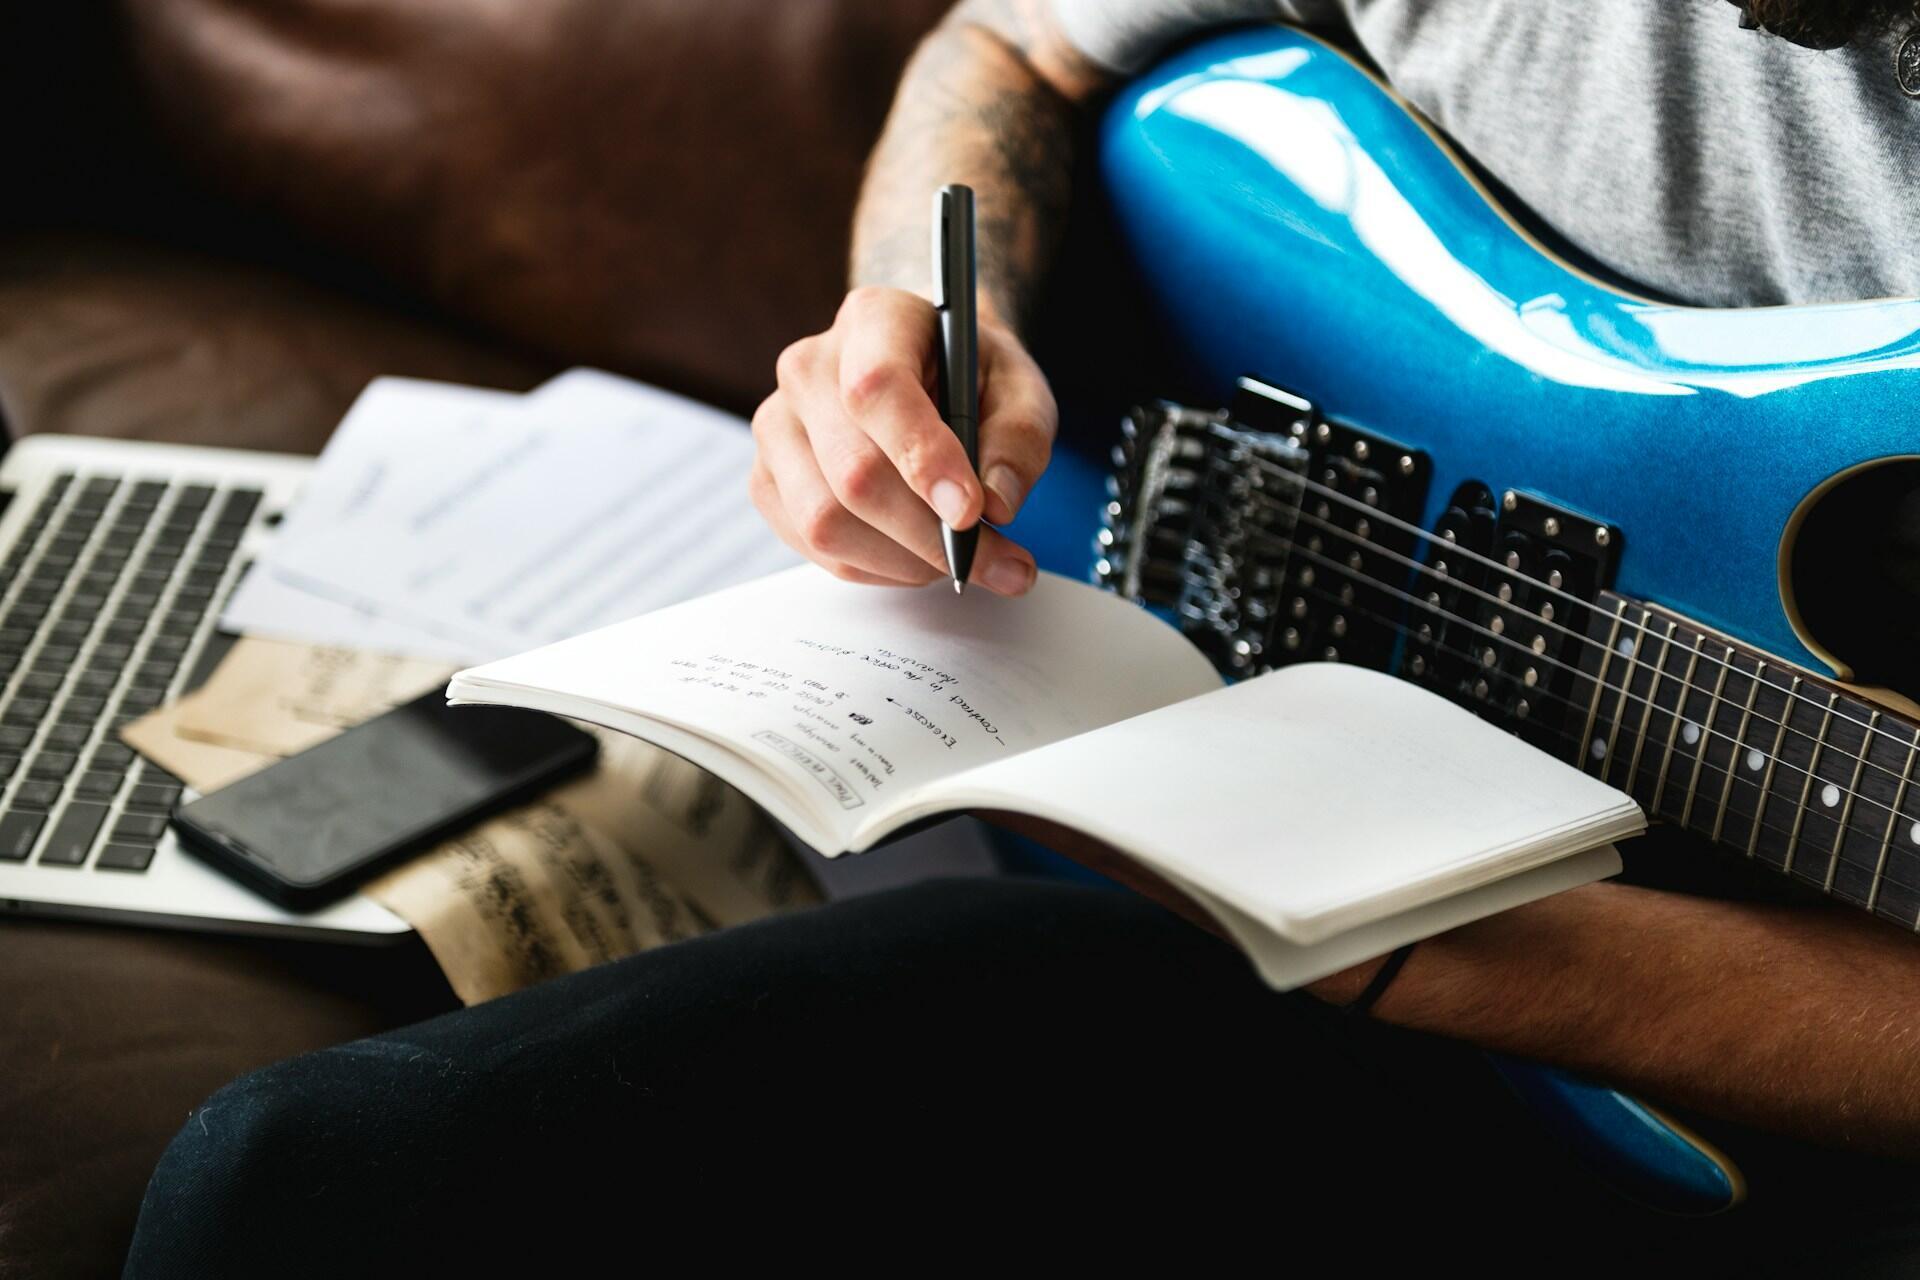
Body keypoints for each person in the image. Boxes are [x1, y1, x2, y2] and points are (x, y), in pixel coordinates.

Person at [129, 3, 1920, 1273]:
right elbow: (1009, 46)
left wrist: (1436, 950)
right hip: (1224, 919)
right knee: (295, 1180)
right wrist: (918, 318)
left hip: (1644, 1060)